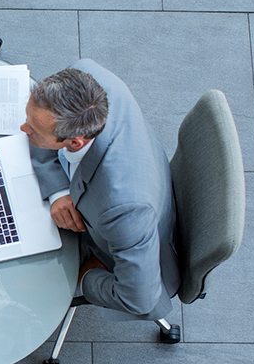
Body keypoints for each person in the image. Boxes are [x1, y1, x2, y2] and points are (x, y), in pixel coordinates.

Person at [20, 59, 179, 321]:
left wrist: (87, 276)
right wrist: (59, 191)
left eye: (33, 131)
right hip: (109, 198)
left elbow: (140, 299)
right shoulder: (89, 79)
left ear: (74, 142)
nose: (23, 129)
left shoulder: (124, 210)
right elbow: (42, 124)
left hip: (116, 244)